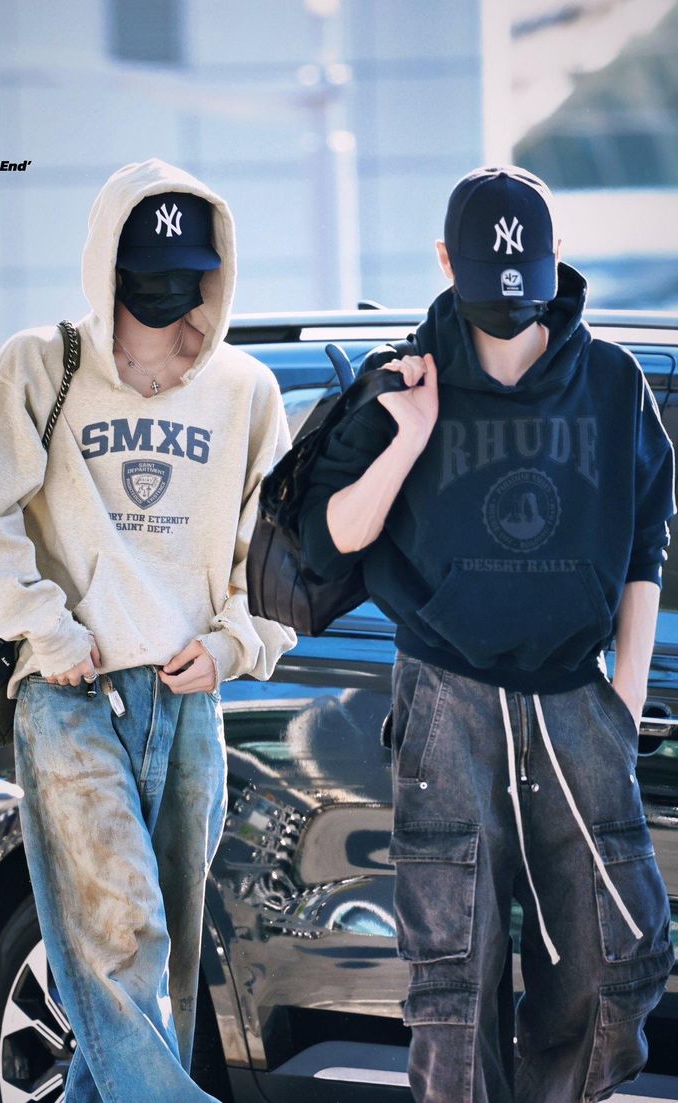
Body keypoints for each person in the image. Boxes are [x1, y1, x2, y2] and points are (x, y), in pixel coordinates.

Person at [298, 165, 675, 1103]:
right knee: (453, 987)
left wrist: (624, 692)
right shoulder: (404, 377)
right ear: (444, 262)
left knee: (616, 959)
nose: (510, 316)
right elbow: (333, 533)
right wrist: (412, 433)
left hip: (576, 703)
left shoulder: (612, 381)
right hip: (448, 703)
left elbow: (645, 530)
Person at [0, 157, 296, 1103]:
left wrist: (232, 643)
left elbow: (276, 561)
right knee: (121, 935)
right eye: (146, 298)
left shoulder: (246, 391)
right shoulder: (38, 365)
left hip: (188, 706)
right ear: (109, 281)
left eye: (187, 296)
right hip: (70, 696)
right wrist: (46, 631)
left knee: (161, 972)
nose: (170, 325)